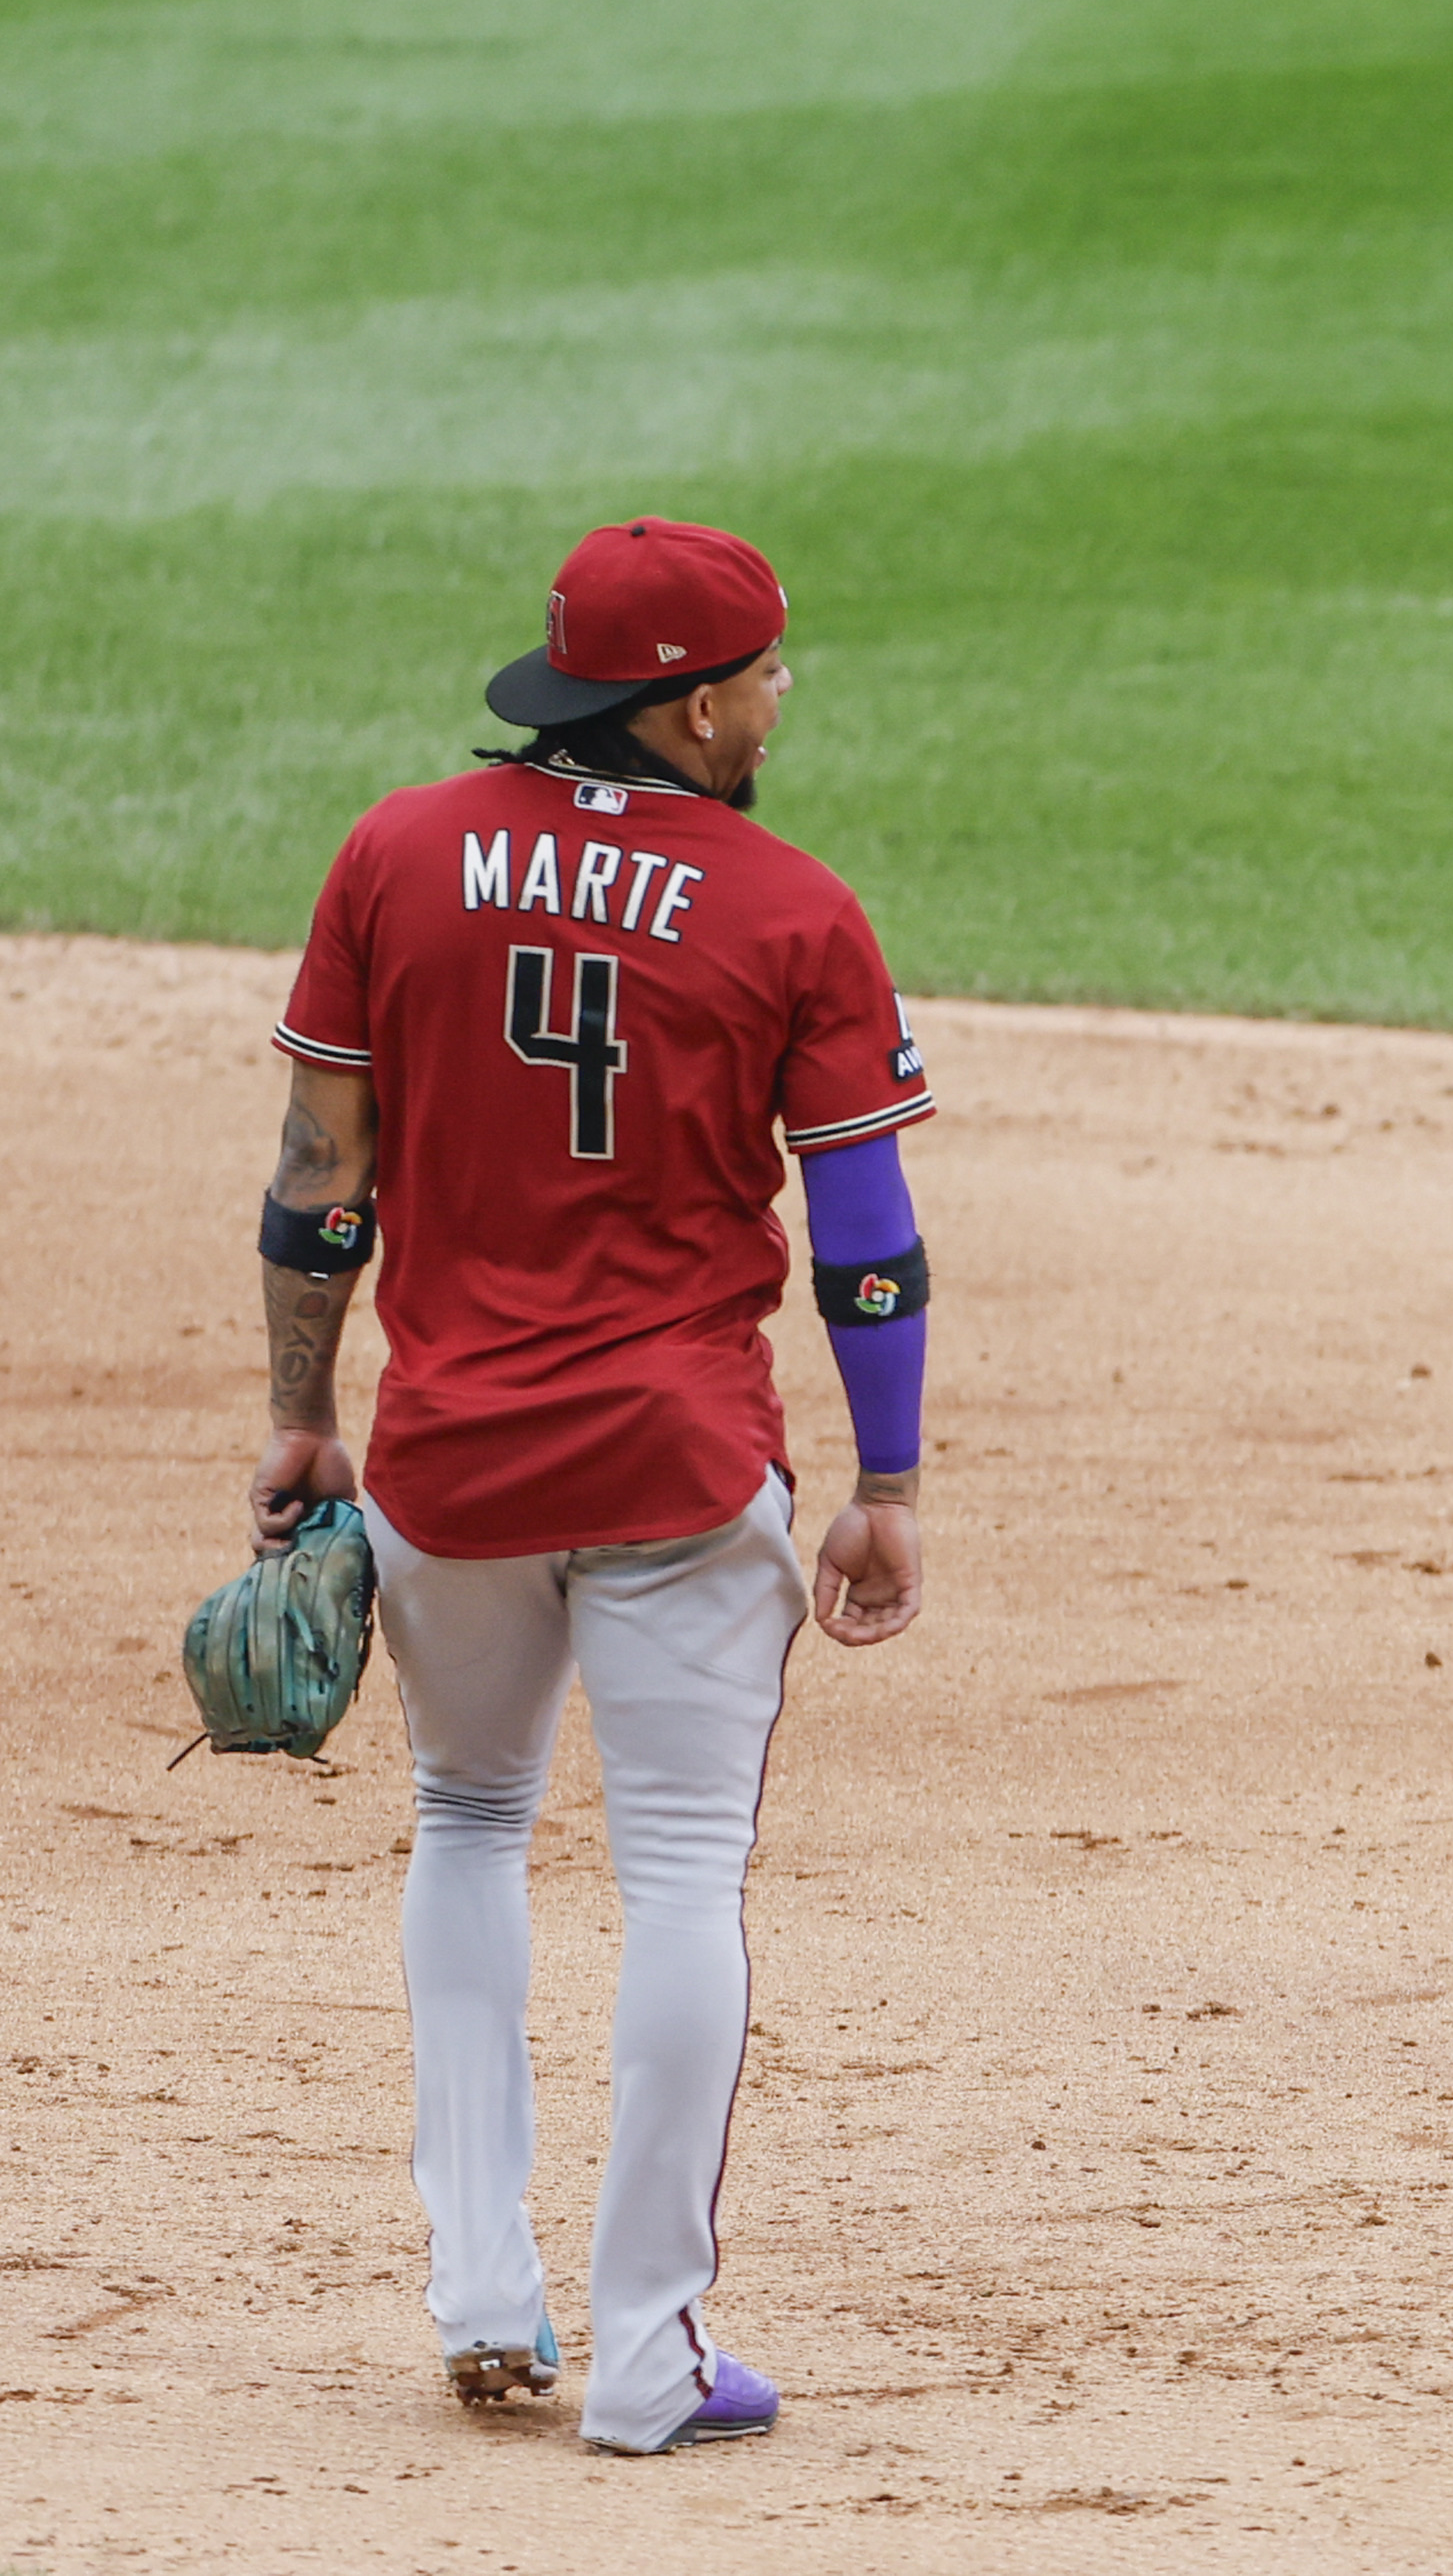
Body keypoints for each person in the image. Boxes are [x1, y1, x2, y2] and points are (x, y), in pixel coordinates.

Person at [248, 517, 936, 2447]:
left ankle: (482, 2285)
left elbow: (321, 1183)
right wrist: (887, 1473)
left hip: (445, 1467)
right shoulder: (791, 907)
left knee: (466, 1821)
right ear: (690, 700)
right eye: (769, 676)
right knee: (683, 1875)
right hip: (679, 1462)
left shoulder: (395, 853)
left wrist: (304, 1415)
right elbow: (864, 1237)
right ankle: (650, 2357)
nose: (783, 701)